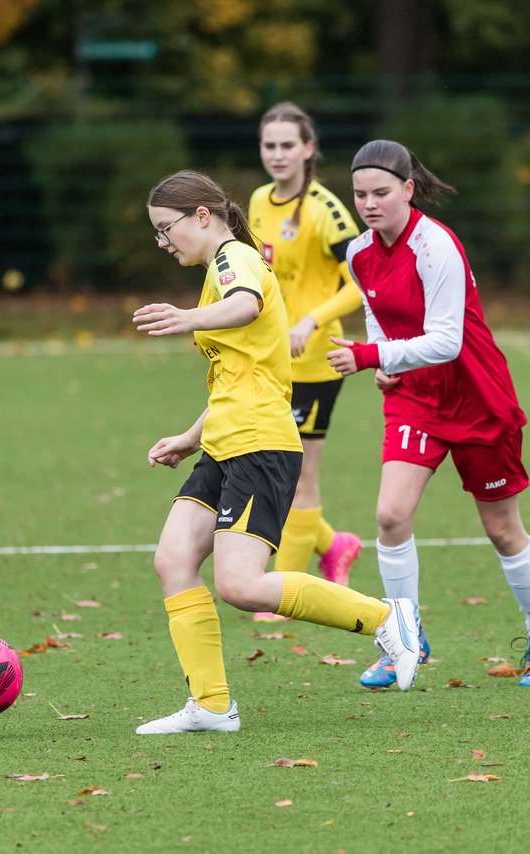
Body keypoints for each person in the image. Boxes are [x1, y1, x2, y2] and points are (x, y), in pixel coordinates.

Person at [131, 169, 422, 734]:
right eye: (157, 234)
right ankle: (212, 706)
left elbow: (245, 305)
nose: (166, 243)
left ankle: (388, 618)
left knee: (239, 585)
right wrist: (190, 437)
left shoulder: (232, 259)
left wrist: (186, 318)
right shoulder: (215, 269)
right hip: (226, 440)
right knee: (173, 560)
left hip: (260, 446)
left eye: (168, 229)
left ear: (202, 217)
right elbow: (239, 373)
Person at [325, 140, 530, 690]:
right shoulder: (358, 252)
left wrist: (370, 356)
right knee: (389, 515)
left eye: (381, 193)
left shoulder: (437, 247)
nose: (369, 204)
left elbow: (448, 342)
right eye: (360, 194)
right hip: (416, 397)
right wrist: (384, 356)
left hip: (476, 396)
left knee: (502, 530)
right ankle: (404, 636)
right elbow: (377, 311)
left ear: (409, 189)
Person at [246, 102, 365, 620]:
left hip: (317, 362)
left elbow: (363, 280)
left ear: (308, 149)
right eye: (269, 145)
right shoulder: (256, 201)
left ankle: (282, 593)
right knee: (273, 470)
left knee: (297, 478)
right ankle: (335, 545)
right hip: (270, 362)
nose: (277, 154)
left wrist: (311, 321)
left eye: (287, 145)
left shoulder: (326, 209)